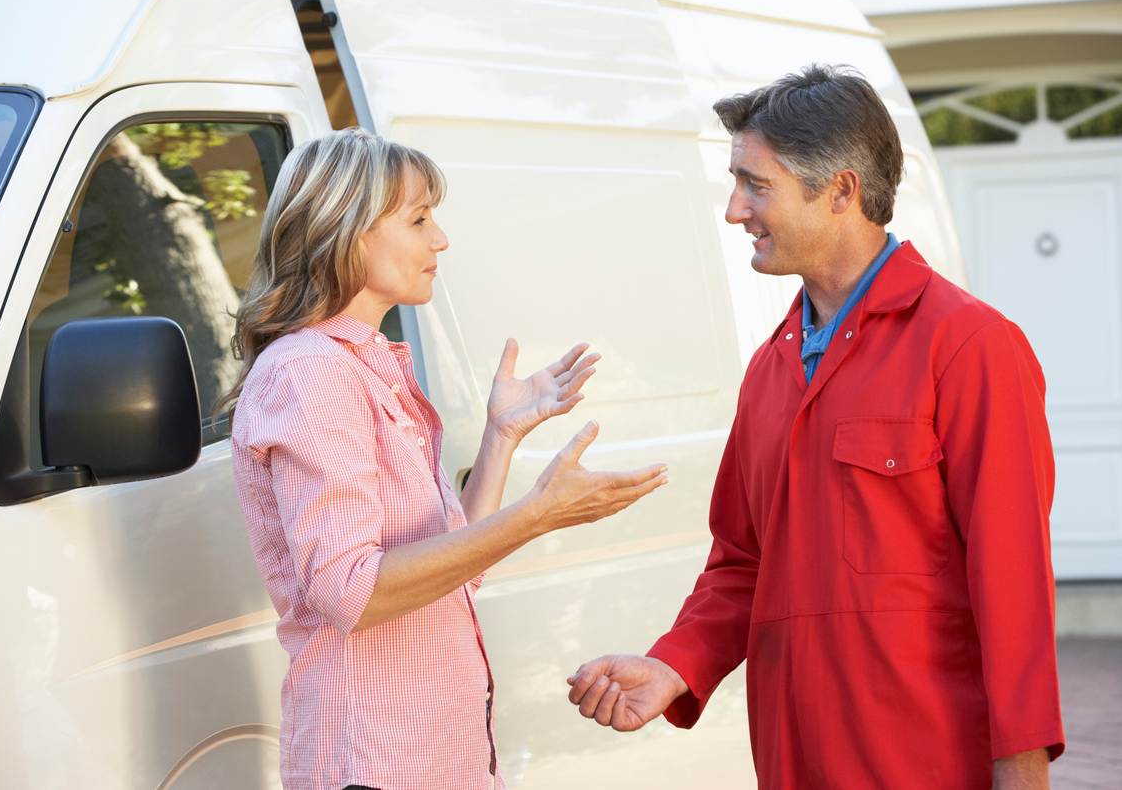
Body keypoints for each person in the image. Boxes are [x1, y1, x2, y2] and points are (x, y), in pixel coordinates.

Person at [566, 65, 1064, 790]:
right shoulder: (770, 369)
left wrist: (1022, 766)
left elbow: (1013, 577)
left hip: (927, 762)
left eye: (756, 185)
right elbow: (743, 564)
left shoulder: (968, 345)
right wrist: (676, 665)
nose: (736, 211)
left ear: (840, 190)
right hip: (794, 759)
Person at [220, 128, 667, 790]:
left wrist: (501, 436)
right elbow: (352, 591)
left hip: (434, 757)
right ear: (347, 229)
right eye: (420, 218)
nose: (441, 240)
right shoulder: (311, 372)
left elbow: (450, 571)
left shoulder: (359, 366)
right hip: (372, 761)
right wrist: (537, 516)